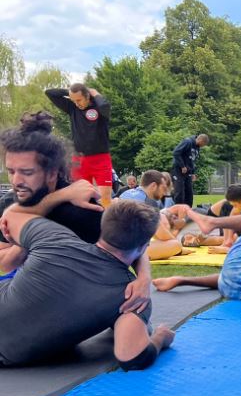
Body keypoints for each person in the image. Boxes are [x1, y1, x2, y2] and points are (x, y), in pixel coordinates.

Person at [0, 196, 172, 369]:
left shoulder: (54, 237)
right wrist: (160, 338)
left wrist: (68, 192)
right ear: (144, 246)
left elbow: (12, 214)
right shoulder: (132, 295)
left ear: (102, 228)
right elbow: (132, 357)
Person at [0, 113, 150, 302]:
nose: (16, 181)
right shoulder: (9, 203)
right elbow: (5, 263)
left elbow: (134, 245)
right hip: (35, 293)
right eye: (11, 171)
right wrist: (27, 237)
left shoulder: (82, 207)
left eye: (27, 172)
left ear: (52, 173)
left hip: (83, 296)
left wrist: (144, 279)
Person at [44, 83, 113, 207]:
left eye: (79, 100)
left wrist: (94, 92)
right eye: (73, 100)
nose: (77, 103)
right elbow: (50, 93)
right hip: (79, 161)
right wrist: (70, 93)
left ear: (87, 96)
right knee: (79, 199)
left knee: (105, 200)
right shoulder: (72, 108)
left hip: (101, 159)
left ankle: (104, 225)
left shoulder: (100, 108)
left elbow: (105, 105)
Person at [171, 134, 209, 207]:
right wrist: (182, 166)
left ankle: (188, 211)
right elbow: (176, 153)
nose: (203, 146)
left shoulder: (197, 147)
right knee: (180, 192)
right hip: (178, 170)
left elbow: (192, 161)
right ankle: (177, 211)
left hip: (188, 172)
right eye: (203, 144)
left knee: (189, 193)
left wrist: (193, 173)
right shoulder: (188, 142)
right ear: (201, 140)